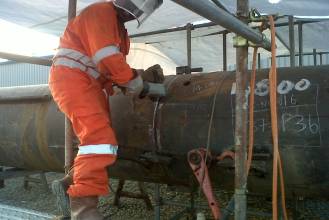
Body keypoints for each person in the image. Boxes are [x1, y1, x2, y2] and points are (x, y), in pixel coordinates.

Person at [50, 0, 164, 219]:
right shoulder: (102, 12)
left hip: (90, 84)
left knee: (100, 143)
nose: (139, 12)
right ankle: (83, 210)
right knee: (99, 141)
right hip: (74, 79)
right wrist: (135, 81)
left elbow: (112, 66)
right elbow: (107, 59)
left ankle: (69, 184)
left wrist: (136, 77)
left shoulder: (120, 29)